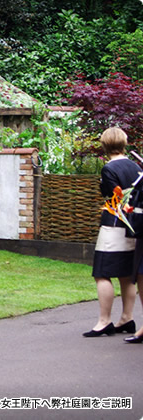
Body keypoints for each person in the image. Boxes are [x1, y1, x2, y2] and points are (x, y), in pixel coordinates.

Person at [83, 127, 139, 337]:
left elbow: (110, 195)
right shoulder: (135, 167)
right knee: (127, 275)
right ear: (124, 143)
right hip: (133, 224)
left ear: (105, 145)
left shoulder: (109, 169)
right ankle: (127, 318)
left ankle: (104, 321)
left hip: (114, 223)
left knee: (102, 273)